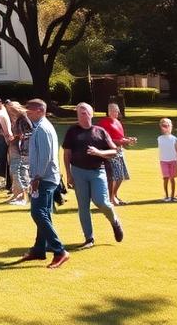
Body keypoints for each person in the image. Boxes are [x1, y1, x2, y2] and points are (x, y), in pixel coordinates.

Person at [62, 102, 124, 248]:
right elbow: (67, 154)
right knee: (83, 206)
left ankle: (114, 221)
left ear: (91, 114)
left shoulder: (100, 131)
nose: (81, 115)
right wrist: (69, 174)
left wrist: (99, 152)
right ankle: (89, 238)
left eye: (84, 112)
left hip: (97, 171)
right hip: (78, 172)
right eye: (79, 113)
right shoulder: (72, 131)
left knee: (101, 201)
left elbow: (115, 151)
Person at [20, 99, 68, 267]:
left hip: (44, 178)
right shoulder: (40, 127)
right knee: (44, 214)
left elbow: (45, 157)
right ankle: (39, 250)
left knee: (38, 213)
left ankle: (59, 250)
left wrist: (37, 178)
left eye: (30, 110)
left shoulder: (42, 129)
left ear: (40, 110)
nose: (27, 113)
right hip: (46, 177)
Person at [97, 102, 136, 205]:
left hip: (119, 151)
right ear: (109, 111)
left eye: (117, 110)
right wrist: (124, 141)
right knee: (115, 176)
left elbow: (121, 137)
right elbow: (106, 140)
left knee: (121, 176)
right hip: (110, 152)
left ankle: (114, 196)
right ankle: (111, 199)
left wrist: (129, 140)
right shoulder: (104, 123)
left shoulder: (118, 122)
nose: (116, 112)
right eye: (114, 110)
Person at [4, 101, 31, 206]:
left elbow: (28, 133)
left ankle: (24, 196)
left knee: (19, 171)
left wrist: (17, 137)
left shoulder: (23, 118)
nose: (10, 112)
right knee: (14, 171)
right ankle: (17, 194)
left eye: (11, 110)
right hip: (16, 148)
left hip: (22, 150)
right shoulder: (17, 119)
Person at [156, 118, 177, 202]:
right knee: (165, 178)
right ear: (161, 127)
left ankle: (172, 196)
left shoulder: (174, 139)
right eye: (164, 126)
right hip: (163, 160)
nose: (166, 127)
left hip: (173, 160)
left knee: (172, 178)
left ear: (171, 126)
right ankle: (166, 196)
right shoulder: (159, 138)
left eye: (168, 125)